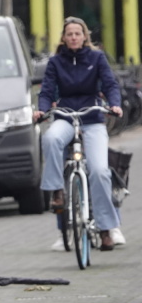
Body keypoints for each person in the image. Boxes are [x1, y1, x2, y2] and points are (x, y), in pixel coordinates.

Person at [33, 16, 123, 251]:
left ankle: (105, 230)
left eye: (77, 33)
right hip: (65, 116)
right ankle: (57, 191)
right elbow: (47, 90)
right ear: (63, 37)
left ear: (85, 37)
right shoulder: (55, 62)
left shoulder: (96, 58)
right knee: (51, 138)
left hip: (92, 118)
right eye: (69, 34)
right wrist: (42, 109)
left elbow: (110, 84)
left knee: (100, 171)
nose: (73, 37)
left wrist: (115, 105)